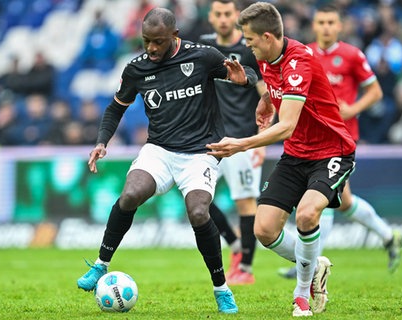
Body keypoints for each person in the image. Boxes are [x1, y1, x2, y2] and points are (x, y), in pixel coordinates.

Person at [76, 7, 258, 314]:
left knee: (199, 213)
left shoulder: (203, 57)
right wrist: (101, 142)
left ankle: (221, 288)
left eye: (158, 42)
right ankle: (100, 265)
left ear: (174, 36)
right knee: (131, 194)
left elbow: (251, 75)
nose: (151, 48)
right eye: (146, 40)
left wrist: (243, 80)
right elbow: (115, 108)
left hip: (200, 153)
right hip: (159, 150)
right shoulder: (137, 68)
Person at [207, 2, 356, 316]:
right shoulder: (267, 58)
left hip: (331, 151)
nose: (245, 44)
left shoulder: (298, 61)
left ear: (267, 37)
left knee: (306, 215)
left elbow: (286, 126)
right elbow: (277, 93)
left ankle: (302, 292)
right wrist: (265, 100)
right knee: (263, 230)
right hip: (297, 154)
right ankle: (315, 266)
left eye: (249, 39)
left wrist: (242, 144)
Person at [278, 5, 402, 280]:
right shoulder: (304, 53)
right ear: (314, 25)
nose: (325, 27)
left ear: (339, 26)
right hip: (312, 137)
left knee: (324, 199)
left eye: (330, 22)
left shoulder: (351, 55)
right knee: (343, 201)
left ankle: (308, 265)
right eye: (320, 21)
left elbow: (376, 91)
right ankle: (388, 236)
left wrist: (353, 109)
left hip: (341, 137)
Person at [198, 0, 266, 285]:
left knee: (245, 202)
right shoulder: (203, 48)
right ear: (211, 18)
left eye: (228, 14)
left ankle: (246, 269)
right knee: (198, 197)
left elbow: (267, 95)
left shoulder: (249, 51)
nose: (224, 19)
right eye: (219, 14)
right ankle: (235, 244)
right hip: (209, 138)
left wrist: (261, 140)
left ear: (236, 18)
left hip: (242, 139)